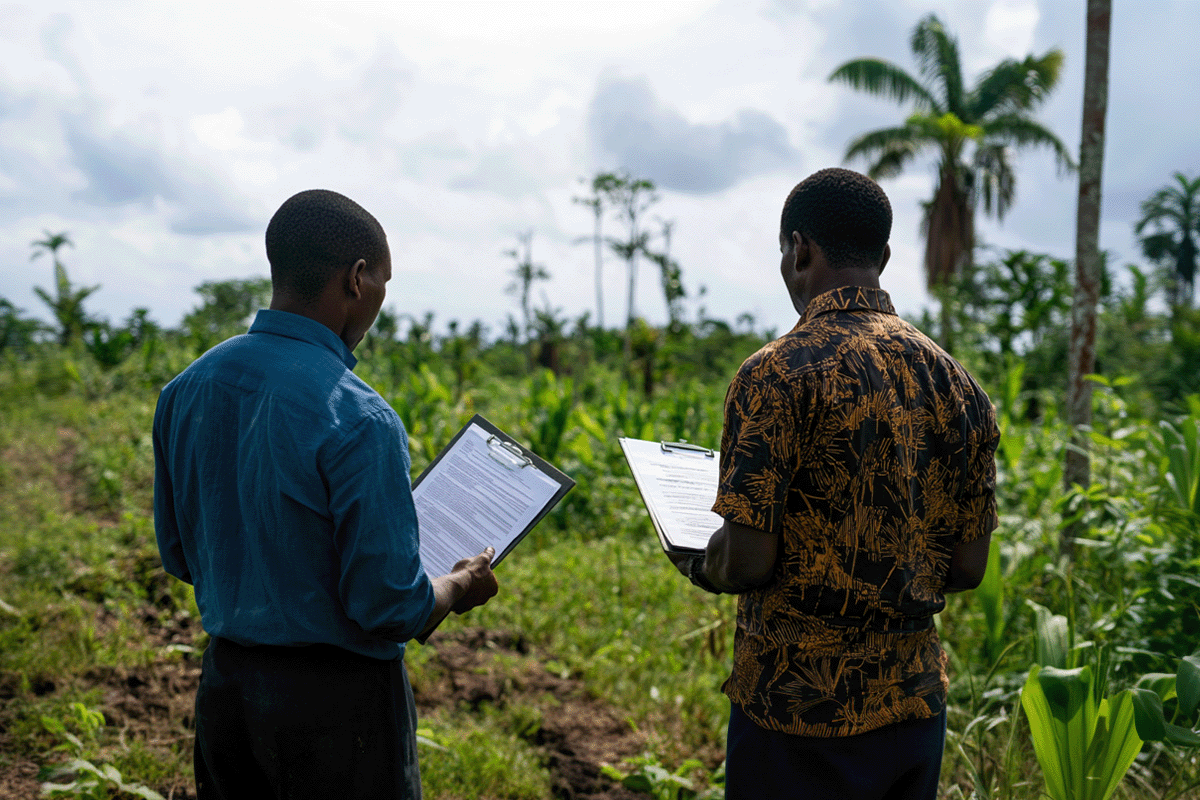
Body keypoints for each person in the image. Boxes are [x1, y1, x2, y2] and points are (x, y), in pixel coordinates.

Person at [153, 189, 499, 800]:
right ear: (358, 279)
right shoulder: (361, 417)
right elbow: (388, 605)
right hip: (340, 712)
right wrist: (457, 584)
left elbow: (180, 556)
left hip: (226, 691)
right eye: (383, 285)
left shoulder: (186, 389)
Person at [670, 168, 998, 800]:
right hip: (913, 708)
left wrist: (700, 563)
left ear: (800, 250)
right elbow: (967, 568)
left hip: (797, 712)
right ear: (885, 257)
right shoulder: (960, 387)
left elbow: (746, 562)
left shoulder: (776, 373)